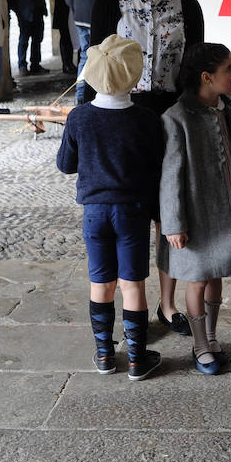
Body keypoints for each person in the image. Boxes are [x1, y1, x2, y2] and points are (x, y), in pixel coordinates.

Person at [90, 0, 204, 337]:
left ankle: (168, 304)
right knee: (128, 210)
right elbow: (95, 63)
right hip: (122, 112)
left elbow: (192, 70)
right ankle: (128, 300)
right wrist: (94, 121)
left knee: (169, 212)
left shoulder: (188, 7)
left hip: (171, 113)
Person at [56, 34, 165, 381]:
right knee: (132, 284)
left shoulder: (79, 118)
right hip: (132, 211)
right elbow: (156, 163)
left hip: (94, 212)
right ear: (134, 76)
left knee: (100, 282)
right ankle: (137, 359)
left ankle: (104, 355)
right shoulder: (147, 119)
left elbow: (65, 164)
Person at [158, 43, 231, 374]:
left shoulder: (226, 108)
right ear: (207, 77)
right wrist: (173, 224)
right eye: (229, 70)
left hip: (226, 210)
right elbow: (170, 176)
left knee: (216, 276)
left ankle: (211, 337)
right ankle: (199, 344)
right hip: (195, 216)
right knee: (197, 279)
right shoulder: (176, 118)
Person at [68, 0, 113, 103]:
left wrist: (75, 11)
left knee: (83, 56)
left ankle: (80, 93)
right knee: (97, 56)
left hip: (79, 19)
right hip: (94, 21)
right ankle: (88, 94)